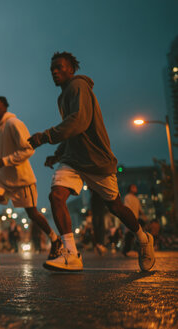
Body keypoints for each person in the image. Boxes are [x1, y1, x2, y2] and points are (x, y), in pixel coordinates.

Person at [28, 51, 155, 271]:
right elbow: (73, 131)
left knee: (116, 207)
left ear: (72, 69)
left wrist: (44, 137)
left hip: (97, 161)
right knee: (56, 195)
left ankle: (143, 238)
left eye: (59, 67)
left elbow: (79, 122)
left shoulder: (79, 86)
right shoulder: (63, 96)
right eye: (52, 69)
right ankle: (71, 253)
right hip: (73, 160)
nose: (55, 72)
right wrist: (58, 154)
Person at [0, 96, 60, 257]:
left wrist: (6, 160)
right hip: (1, 178)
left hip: (20, 178)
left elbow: (29, 149)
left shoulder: (14, 124)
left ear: (5, 107)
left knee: (32, 213)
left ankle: (55, 239)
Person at [122, 184, 144, 256]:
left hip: (135, 219)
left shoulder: (136, 198)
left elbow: (140, 209)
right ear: (129, 188)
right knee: (129, 235)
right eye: (133, 187)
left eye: (135, 187)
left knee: (132, 235)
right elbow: (127, 207)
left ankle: (128, 250)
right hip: (129, 218)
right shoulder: (127, 197)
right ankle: (126, 250)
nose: (135, 188)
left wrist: (144, 216)